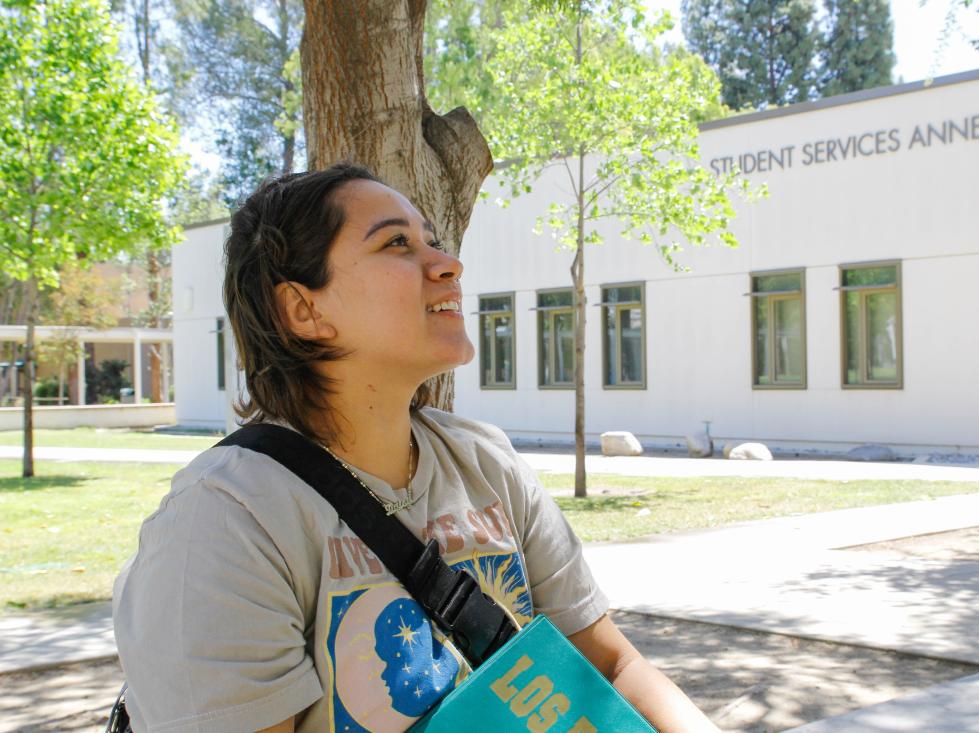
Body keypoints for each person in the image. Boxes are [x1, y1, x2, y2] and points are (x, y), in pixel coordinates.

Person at [113, 164, 718, 733]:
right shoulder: (225, 518)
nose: (448, 264)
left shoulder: (488, 464)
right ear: (303, 309)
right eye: (396, 244)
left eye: (432, 241)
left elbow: (612, 670)